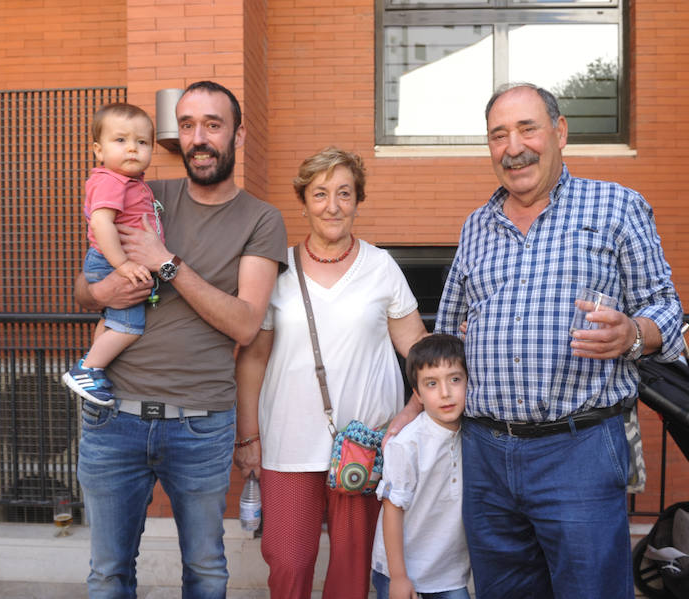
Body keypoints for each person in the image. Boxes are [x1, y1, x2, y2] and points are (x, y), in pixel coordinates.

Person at [388, 82, 685, 598]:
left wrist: (634, 333)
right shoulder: (476, 226)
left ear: (560, 132)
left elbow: (667, 307)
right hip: (484, 453)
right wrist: (413, 408)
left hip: (581, 450)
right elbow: (447, 338)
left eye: (528, 128)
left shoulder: (616, 207)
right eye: (498, 135)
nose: (513, 146)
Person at [72, 80, 288, 599]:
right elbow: (83, 291)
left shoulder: (261, 219)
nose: (198, 138)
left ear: (237, 134)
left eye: (213, 125)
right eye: (187, 125)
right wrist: (108, 284)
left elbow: (244, 323)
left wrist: (164, 262)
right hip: (111, 419)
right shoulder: (146, 193)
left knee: (207, 571)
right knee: (108, 574)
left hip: (200, 425)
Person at [234, 147, 429, 599]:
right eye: (320, 194)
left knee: (351, 571)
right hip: (287, 443)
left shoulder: (381, 267)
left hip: (362, 446)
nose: (333, 205)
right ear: (302, 202)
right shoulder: (275, 269)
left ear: (358, 200)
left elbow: (419, 352)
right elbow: (253, 358)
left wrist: (405, 419)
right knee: (287, 562)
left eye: (344, 193)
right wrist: (247, 437)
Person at [62, 102, 161, 406]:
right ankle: (87, 368)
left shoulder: (130, 182)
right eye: (121, 140)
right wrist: (123, 264)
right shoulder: (110, 180)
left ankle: (94, 370)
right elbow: (101, 222)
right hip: (111, 262)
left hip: (114, 261)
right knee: (129, 327)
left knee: (111, 321)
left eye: (141, 142)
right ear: (98, 150)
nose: (132, 149)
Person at [371, 333, 471, 599]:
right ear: (417, 394)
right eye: (431, 383)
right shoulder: (407, 444)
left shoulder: (474, 434)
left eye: (455, 379)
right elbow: (392, 511)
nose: (446, 393)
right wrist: (399, 577)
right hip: (403, 569)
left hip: (449, 571)